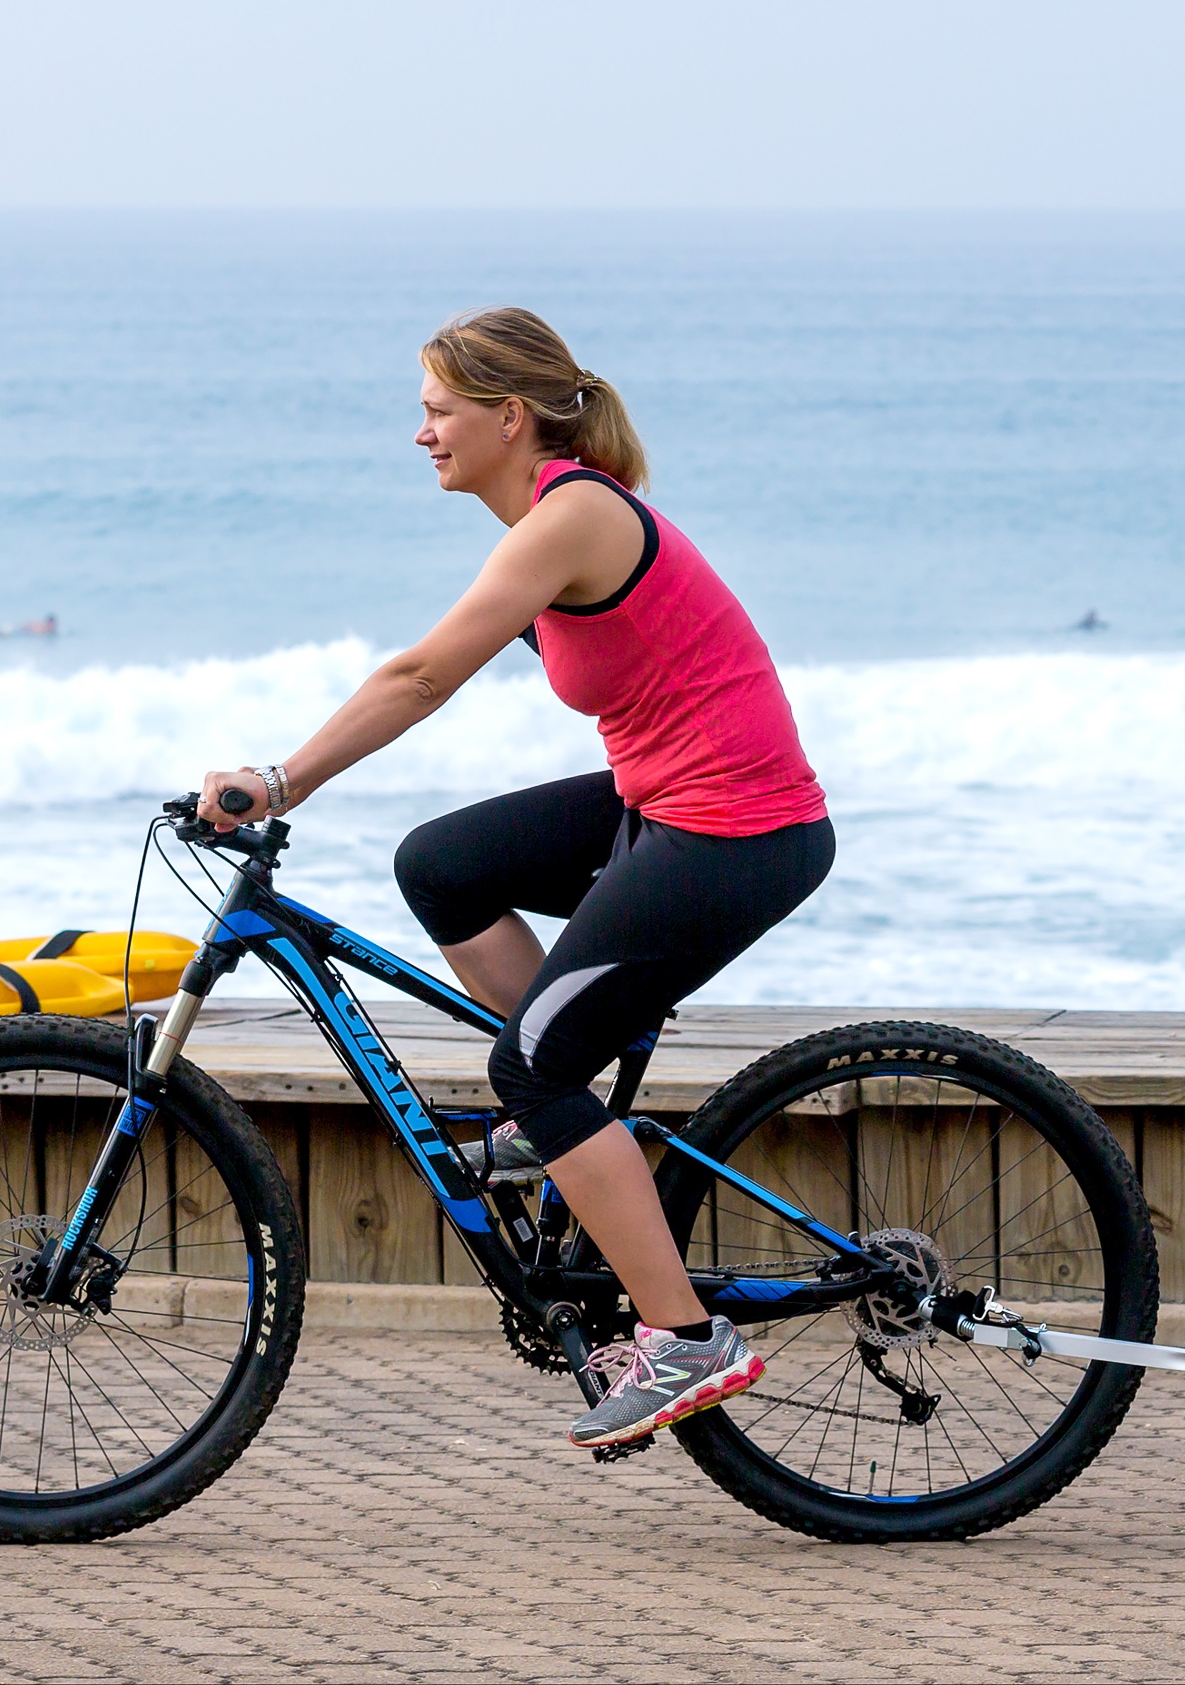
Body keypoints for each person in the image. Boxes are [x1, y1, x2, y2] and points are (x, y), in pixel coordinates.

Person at [198, 307, 834, 1448]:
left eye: (438, 410)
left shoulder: (573, 514)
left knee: (529, 1067)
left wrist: (280, 780)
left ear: (507, 415)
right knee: (442, 865)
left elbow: (424, 672)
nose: (422, 433)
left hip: (738, 828)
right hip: (668, 808)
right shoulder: (552, 518)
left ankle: (687, 1337)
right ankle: (559, 1104)